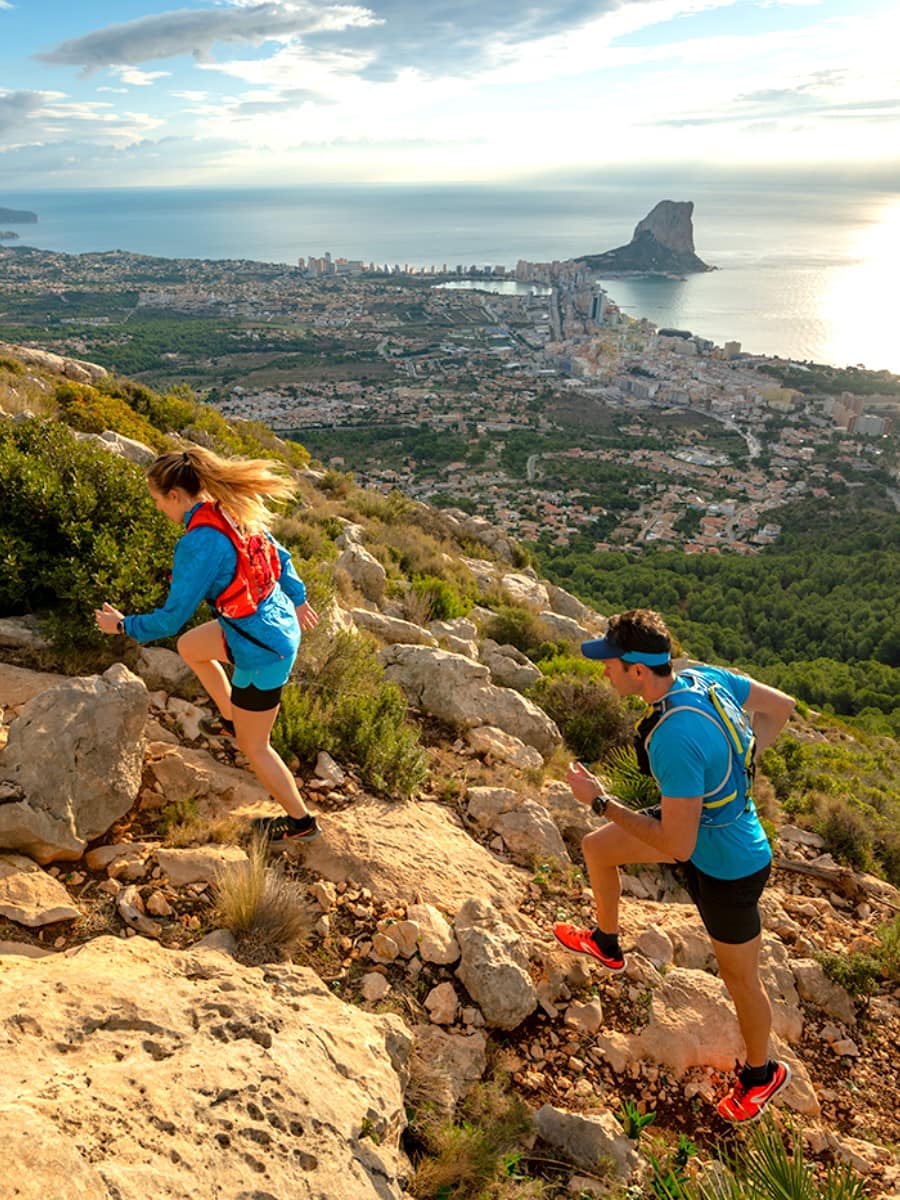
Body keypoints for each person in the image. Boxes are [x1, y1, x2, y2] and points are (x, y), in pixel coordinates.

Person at [552, 608, 796, 1123]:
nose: (604, 671)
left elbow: (678, 847)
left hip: (729, 868)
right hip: (696, 827)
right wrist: (740, 764)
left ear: (638, 671)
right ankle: (607, 941)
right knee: (599, 850)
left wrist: (599, 802)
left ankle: (762, 1073)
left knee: (739, 979)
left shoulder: (673, 739)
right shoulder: (703, 677)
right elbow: (781, 707)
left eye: (611, 664)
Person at [95, 445, 320, 843]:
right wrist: (298, 598)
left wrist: (122, 626)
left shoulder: (199, 542)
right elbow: (281, 558)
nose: (158, 508)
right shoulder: (229, 507)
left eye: (158, 500)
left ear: (176, 497)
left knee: (257, 748)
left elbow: (169, 617)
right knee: (190, 647)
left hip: (263, 649)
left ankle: (301, 823)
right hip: (265, 622)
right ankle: (231, 719)